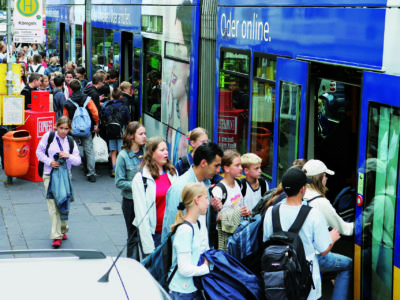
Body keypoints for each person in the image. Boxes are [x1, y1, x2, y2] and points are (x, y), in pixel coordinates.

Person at [263, 168, 341, 300]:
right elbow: (323, 250)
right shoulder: (313, 214)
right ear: (302, 189)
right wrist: (332, 239)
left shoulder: (271, 212)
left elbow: (266, 240)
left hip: (278, 282)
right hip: (306, 285)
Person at [302, 159, 353, 300]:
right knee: (348, 264)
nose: (327, 178)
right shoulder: (320, 201)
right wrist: (364, 223)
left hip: (296, 255)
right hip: (315, 256)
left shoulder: (299, 195)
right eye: (325, 175)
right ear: (318, 178)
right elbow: (345, 229)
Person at [162, 142, 224, 251]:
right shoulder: (180, 188)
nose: (219, 170)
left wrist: (213, 210)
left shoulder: (206, 184)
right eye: (216, 165)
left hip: (203, 255)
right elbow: (172, 229)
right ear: (203, 163)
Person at [36, 116, 81, 249]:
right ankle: (56, 235)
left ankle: (63, 228)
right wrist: (50, 162)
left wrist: (68, 156)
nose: (63, 131)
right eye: (61, 128)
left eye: (66, 129)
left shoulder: (71, 141)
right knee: (52, 206)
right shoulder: (48, 136)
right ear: (56, 127)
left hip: (65, 177)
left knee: (63, 202)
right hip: (49, 175)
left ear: (69, 129)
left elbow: (78, 161)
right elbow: (38, 152)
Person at [131, 137, 178, 256]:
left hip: (171, 232)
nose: (166, 152)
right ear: (151, 153)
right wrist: (148, 247)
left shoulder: (173, 173)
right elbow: (141, 214)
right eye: (162, 150)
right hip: (154, 235)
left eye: (166, 149)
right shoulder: (141, 179)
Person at [169, 183, 210, 300]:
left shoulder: (196, 224)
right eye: (206, 198)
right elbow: (184, 269)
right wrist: (205, 268)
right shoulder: (185, 230)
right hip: (182, 292)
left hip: (190, 288)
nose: (208, 203)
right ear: (197, 200)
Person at [115, 122, 146, 260]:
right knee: (133, 236)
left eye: (145, 133)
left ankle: (147, 266)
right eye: (141, 134)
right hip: (130, 202)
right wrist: (137, 185)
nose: (144, 136)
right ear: (132, 136)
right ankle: (133, 266)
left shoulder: (147, 152)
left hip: (146, 200)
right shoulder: (123, 156)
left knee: (146, 236)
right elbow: (119, 182)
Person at [211, 151, 250, 251]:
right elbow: (214, 218)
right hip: (223, 237)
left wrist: (246, 212)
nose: (241, 168)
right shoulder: (219, 190)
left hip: (237, 234)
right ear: (226, 168)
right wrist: (237, 213)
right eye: (237, 165)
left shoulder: (239, 183)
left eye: (240, 165)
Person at [63, 79, 99, 182]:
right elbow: (95, 113)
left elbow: (65, 117)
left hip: (73, 129)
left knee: (70, 149)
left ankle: (68, 172)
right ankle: (91, 173)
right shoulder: (88, 99)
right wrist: (96, 124)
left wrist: (66, 128)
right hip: (87, 129)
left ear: (70, 88)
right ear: (80, 87)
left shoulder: (68, 102)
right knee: (89, 150)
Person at [103, 88, 131, 177]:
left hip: (111, 132)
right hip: (121, 132)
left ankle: (114, 169)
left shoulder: (108, 107)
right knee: (121, 151)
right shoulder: (125, 107)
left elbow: (104, 121)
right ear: (121, 96)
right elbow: (129, 122)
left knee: (113, 151)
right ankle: (122, 169)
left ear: (111, 96)